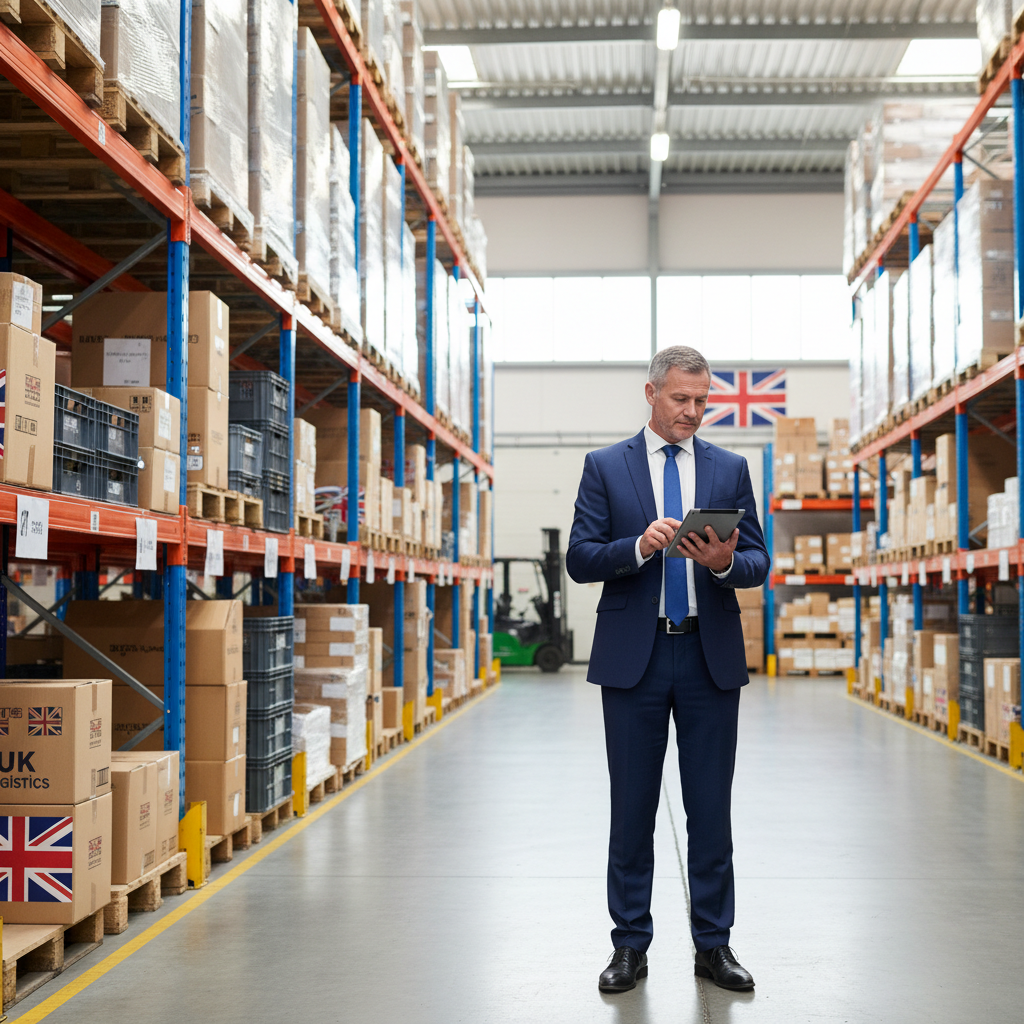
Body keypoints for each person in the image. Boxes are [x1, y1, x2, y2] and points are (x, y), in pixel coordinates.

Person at [566, 345, 770, 994]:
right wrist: (636, 547)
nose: (693, 411)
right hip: (637, 659)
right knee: (632, 812)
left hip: (708, 657)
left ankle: (714, 945)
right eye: (681, 399)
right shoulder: (605, 468)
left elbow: (759, 561)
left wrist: (721, 565)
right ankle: (629, 947)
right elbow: (579, 557)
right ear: (650, 393)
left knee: (711, 810)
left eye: (702, 400)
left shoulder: (730, 469)